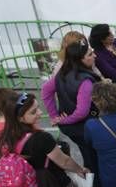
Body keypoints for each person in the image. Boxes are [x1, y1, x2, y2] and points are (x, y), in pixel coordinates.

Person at [0, 92, 87, 187]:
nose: (40, 113)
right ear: (20, 118)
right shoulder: (41, 138)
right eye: (33, 112)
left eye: (38, 108)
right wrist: (80, 170)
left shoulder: (0, 138)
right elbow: (64, 161)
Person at [41, 40, 101, 176]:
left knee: (88, 155)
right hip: (85, 127)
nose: (94, 56)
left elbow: (45, 90)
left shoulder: (62, 74)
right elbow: (82, 112)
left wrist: (54, 115)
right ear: (80, 59)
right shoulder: (85, 81)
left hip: (72, 128)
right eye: (90, 54)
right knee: (94, 159)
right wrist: (59, 120)